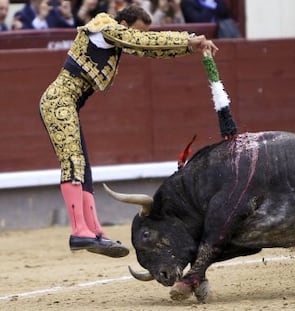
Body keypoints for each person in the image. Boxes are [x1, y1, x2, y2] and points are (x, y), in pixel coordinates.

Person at [39, 5, 218, 258]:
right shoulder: (105, 28)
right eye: (137, 30)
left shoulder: (113, 36)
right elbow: (144, 42)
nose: (139, 36)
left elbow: (148, 48)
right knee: (74, 163)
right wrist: (188, 39)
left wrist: (189, 46)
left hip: (67, 105)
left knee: (84, 168)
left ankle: (95, 231)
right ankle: (79, 230)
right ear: (124, 24)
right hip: (58, 102)